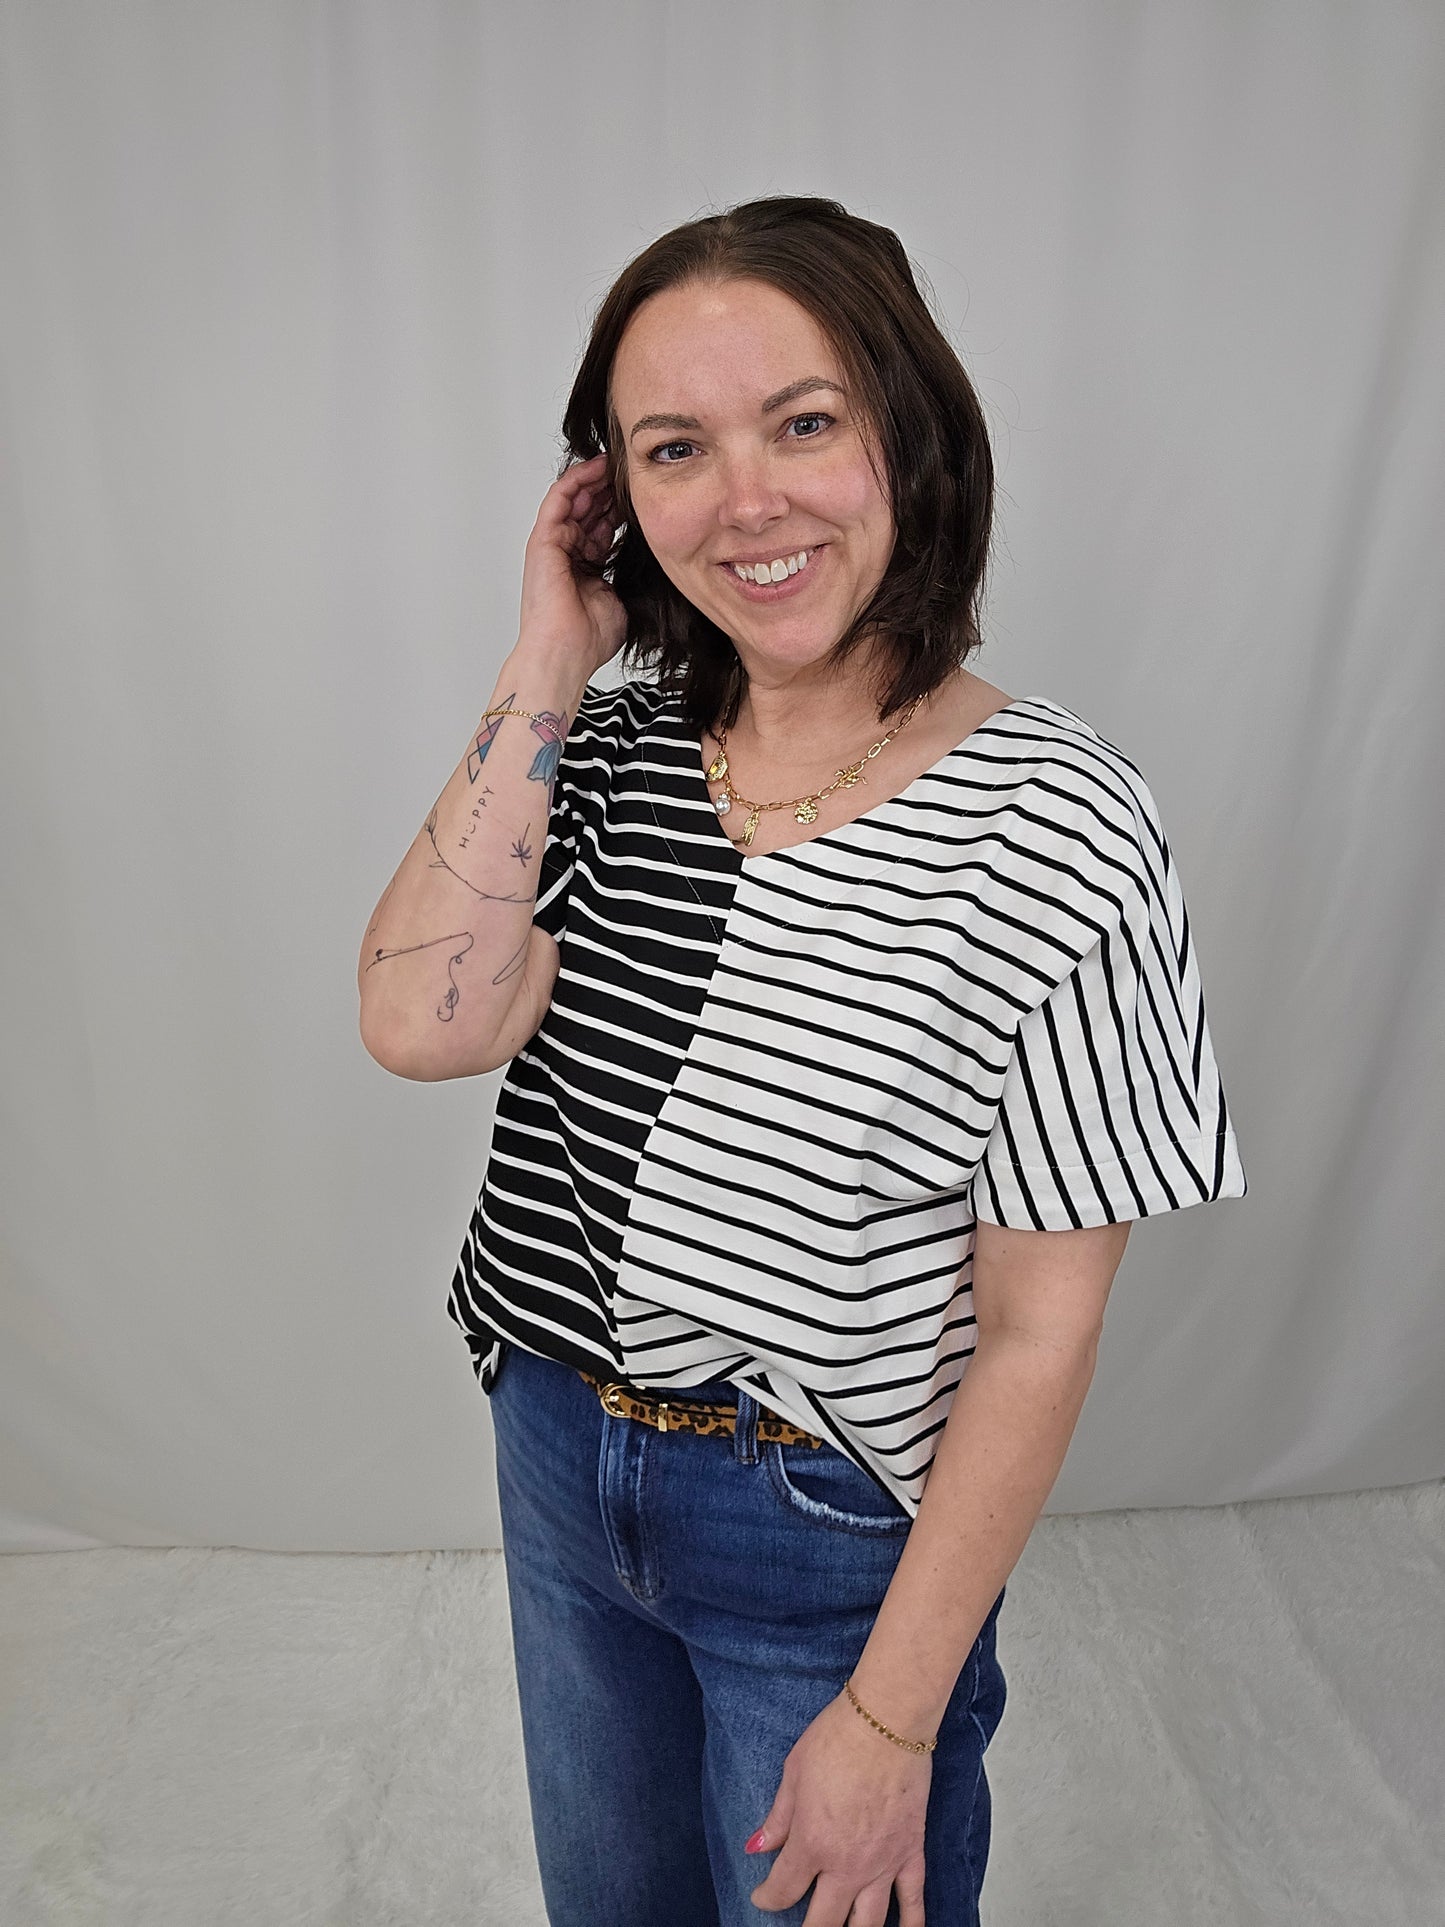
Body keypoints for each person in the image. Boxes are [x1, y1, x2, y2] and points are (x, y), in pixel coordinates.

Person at [357, 195, 1248, 1927]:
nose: (745, 499)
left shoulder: (1058, 819)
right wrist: (547, 655)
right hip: (555, 1445)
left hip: (819, 1523)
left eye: (804, 422)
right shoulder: (603, 747)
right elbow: (421, 1025)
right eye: (674, 448)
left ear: (906, 432)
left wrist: (891, 1714)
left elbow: (1039, 1329)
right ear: (613, 499)